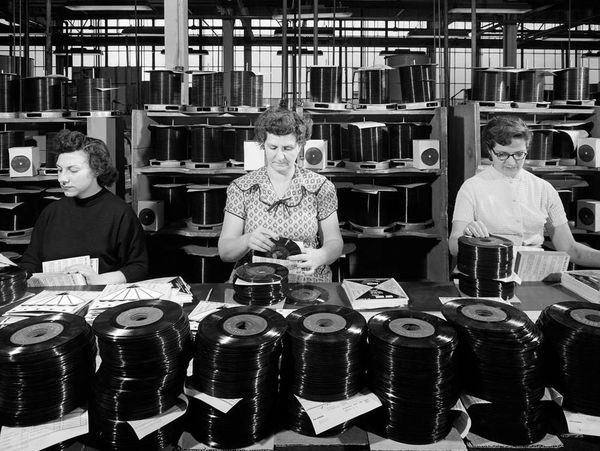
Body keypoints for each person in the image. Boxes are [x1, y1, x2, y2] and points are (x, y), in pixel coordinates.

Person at [449, 115, 600, 267]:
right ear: (490, 150)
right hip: (488, 269)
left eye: (519, 154)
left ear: (527, 149)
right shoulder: (472, 187)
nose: (511, 162)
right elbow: (454, 246)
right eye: (502, 154)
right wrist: (466, 237)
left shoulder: (544, 189)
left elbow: (570, 249)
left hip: (533, 272)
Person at [218, 106, 343, 281]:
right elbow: (225, 251)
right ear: (263, 144)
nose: (280, 156)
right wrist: (246, 240)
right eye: (273, 147)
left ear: (300, 146)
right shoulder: (241, 188)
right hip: (256, 281)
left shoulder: (321, 187)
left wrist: (321, 256)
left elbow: (334, 242)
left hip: (306, 280)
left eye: (288, 148)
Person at [20, 129, 148, 283]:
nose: (62, 179)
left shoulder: (120, 213)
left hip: (101, 299)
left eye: (73, 170)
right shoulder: (51, 213)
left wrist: (99, 279)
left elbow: (138, 267)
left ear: (97, 169)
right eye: (59, 170)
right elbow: (31, 261)